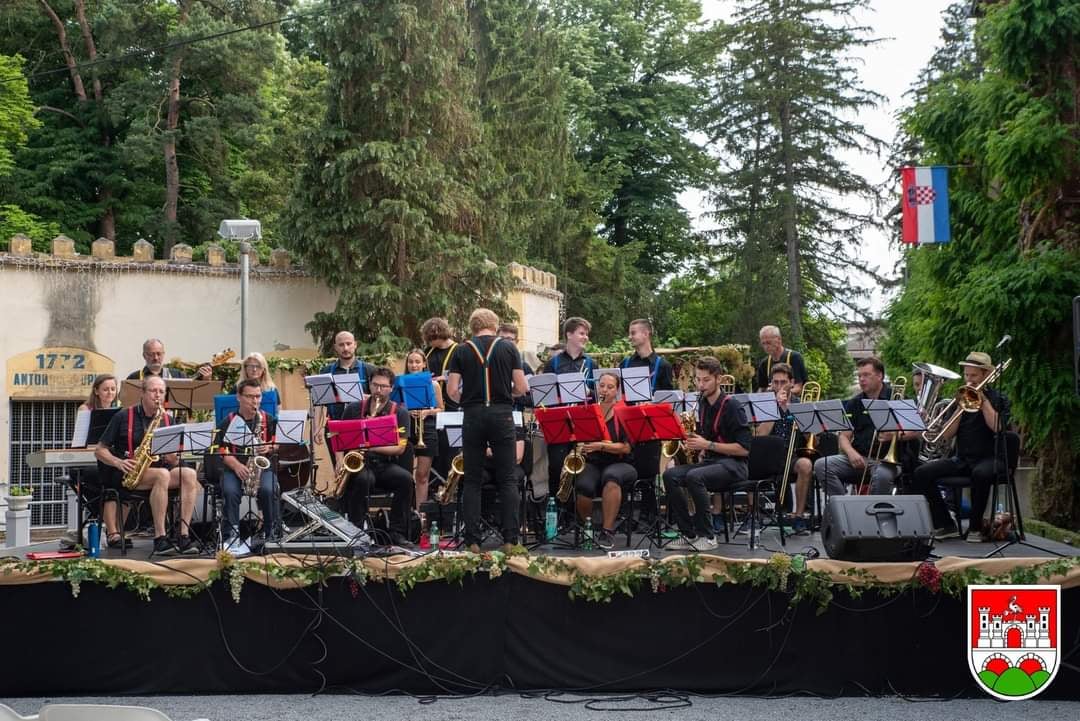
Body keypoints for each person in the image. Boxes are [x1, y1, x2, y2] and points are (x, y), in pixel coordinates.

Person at [446, 308, 528, 551]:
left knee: (472, 479)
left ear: (473, 326)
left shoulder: (461, 350)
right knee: (508, 478)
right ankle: (510, 539)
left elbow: (451, 391)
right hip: (502, 414)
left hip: (473, 414)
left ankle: (472, 540)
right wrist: (506, 394)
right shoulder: (509, 348)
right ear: (495, 325)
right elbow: (522, 387)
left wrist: (468, 400)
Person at [94, 375, 201, 556]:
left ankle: (183, 536)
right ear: (142, 393)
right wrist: (118, 462)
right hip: (129, 473)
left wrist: (173, 458)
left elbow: (174, 460)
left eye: (161, 392)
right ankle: (160, 538)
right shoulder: (123, 416)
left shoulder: (168, 420)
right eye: (153, 391)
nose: (157, 395)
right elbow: (99, 450)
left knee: (189, 474)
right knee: (162, 475)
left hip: (158, 471)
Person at [909, 351, 1009, 541]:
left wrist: (983, 401)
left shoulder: (998, 398)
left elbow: (997, 427)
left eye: (974, 376)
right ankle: (945, 524)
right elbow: (947, 435)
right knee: (922, 473)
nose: (969, 380)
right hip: (963, 459)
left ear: (986, 375)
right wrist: (960, 409)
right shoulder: (961, 399)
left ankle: (975, 528)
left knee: (981, 473)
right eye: (966, 375)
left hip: (991, 458)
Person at [663, 357, 752, 551]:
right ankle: (689, 534)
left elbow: (744, 449)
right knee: (670, 475)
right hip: (712, 462)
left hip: (734, 465)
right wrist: (693, 442)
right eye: (697, 379)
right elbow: (707, 437)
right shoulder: (702, 403)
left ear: (718, 379)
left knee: (695, 476)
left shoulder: (732, 406)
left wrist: (708, 444)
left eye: (706, 380)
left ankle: (708, 536)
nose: (700, 385)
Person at [337, 366, 414, 547]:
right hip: (360, 464)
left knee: (406, 480)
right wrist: (339, 460)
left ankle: (396, 532)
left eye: (383, 386)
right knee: (363, 480)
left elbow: (400, 448)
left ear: (391, 388)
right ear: (369, 385)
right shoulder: (354, 408)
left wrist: (370, 445)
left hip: (383, 464)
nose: (378, 390)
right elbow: (338, 436)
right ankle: (356, 531)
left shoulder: (400, 412)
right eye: (375, 385)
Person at [812, 356, 898, 498]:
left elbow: (916, 432)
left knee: (881, 475)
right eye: (859, 376)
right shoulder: (854, 403)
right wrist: (851, 452)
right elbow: (844, 436)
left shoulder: (896, 397)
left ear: (879, 376)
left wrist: (894, 435)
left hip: (887, 462)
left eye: (866, 375)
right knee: (822, 465)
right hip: (860, 458)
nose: (861, 379)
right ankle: (843, 506)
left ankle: (874, 510)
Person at [620, 318, 674, 528]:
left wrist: (652, 403)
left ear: (646, 334)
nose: (630, 336)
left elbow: (667, 399)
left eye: (634, 332)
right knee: (629, 469)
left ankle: (648, 516)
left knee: (649, 472)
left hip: (651, 426)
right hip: (629, 424)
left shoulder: (662, 365)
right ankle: (627, 516)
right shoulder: (625, 364)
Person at [574, 371, 636, 550]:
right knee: (583, 485)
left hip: (621, 462)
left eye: (610, 387)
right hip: (594, 461)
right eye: (601, 386)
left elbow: (626, 448)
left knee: (611, 478)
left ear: (617, 391)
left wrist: (600, 446)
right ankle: (588, 527)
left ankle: (607, 531)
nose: (605, 390)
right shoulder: (589, 410)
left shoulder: (624, 411)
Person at [215, 379, 280, 548]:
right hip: (234, 468)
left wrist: (269, 447)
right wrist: (236, 466)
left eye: (258, 396)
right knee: (230, 491)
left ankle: (271, 533)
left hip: (262, 468)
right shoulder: (228, 421)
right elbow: (221, 450)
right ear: (239, 397)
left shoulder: (268, 419)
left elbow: (278, 443)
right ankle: (231, 536)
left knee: (268, 489)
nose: (255, 401)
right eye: (250, 397)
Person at [541, 317, 596, 510]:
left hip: (582, 421)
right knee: (556, 467)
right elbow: (544, 395)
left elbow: (598, 395)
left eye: (586, 334)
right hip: (559, 422)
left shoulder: (591, 363)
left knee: (580, 469)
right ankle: (555, 511)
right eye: (581, 333)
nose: (585, 337)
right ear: (569, 335)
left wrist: (589, 392)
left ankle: (575, 514)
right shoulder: (553, 363)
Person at [754, 363, 813, 534]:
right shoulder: (764, 404)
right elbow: (759, 435)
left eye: (783, 382)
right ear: (771, 384)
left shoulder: (800, 405)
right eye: (775, 382)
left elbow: (813, 440)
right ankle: (754, 515)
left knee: (805, 465)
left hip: (792, 454)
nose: (779, 386)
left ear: (792, 383)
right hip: (769, 455)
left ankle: (798, 517)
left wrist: (801, 420)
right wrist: (776, 407)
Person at [315, 331, 377, 446]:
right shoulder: (326, 371)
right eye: (341, 345)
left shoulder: (370, 370)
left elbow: (379, 399)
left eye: (349, 344)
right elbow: (319, 403)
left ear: (355, 344)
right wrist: (317, 428)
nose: (345, 348)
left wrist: (366, 397)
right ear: (335, 347)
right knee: (337, 459)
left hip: (362, 426)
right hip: (334, 427)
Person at [403, 348, 443, 508]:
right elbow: (394, 406)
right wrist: (406, 412)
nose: (414, 365)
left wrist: (427, 412)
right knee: (404, 475)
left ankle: (421, 513)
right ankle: (406, 511)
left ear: (424, 364)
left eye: (417, 362)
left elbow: (441, 409)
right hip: (406, 428)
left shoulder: (433, 384)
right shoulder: (401, 383)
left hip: (427, 429)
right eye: (411, 362)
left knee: (422, 475)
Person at [422, 317, 460, 480]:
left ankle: (450, 484)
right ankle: (433, 486)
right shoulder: (427, 352)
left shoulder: (459, 350)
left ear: (439, 334)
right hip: (432, 408)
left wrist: (448, 378)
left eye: (432, 339)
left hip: (452, 407)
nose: (430, 343)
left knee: (450, 450)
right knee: (434, 450)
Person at [754, 326, 807, 393]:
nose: (766, 347)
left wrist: (779, 394)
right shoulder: (764, 363)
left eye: (769, 343)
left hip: (792, 399)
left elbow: (799, 388)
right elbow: (762, 389)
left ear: (779, 340)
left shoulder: (794, 357)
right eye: (763, 343)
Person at [127, 338, 211, 380]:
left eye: (159, 354)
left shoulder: (178, 375)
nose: (156, 358)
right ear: (144, 355)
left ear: (163, 354)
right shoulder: (134, 378)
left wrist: (206, 380)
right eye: (151, 354)